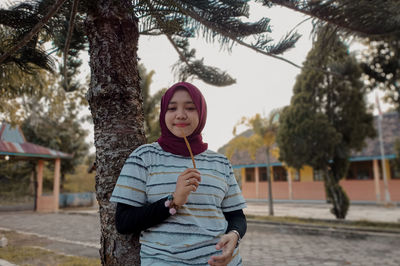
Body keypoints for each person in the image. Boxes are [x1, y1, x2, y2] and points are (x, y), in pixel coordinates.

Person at [110, 82, 247, 266]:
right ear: (163, 114)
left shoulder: (220, 162)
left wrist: (234, 235)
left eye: (190, 108)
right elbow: (123, 222)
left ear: (201, 113)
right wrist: (173, 201)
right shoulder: (144, 157)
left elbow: (236, 215)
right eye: (172, 108)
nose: (181, 114)